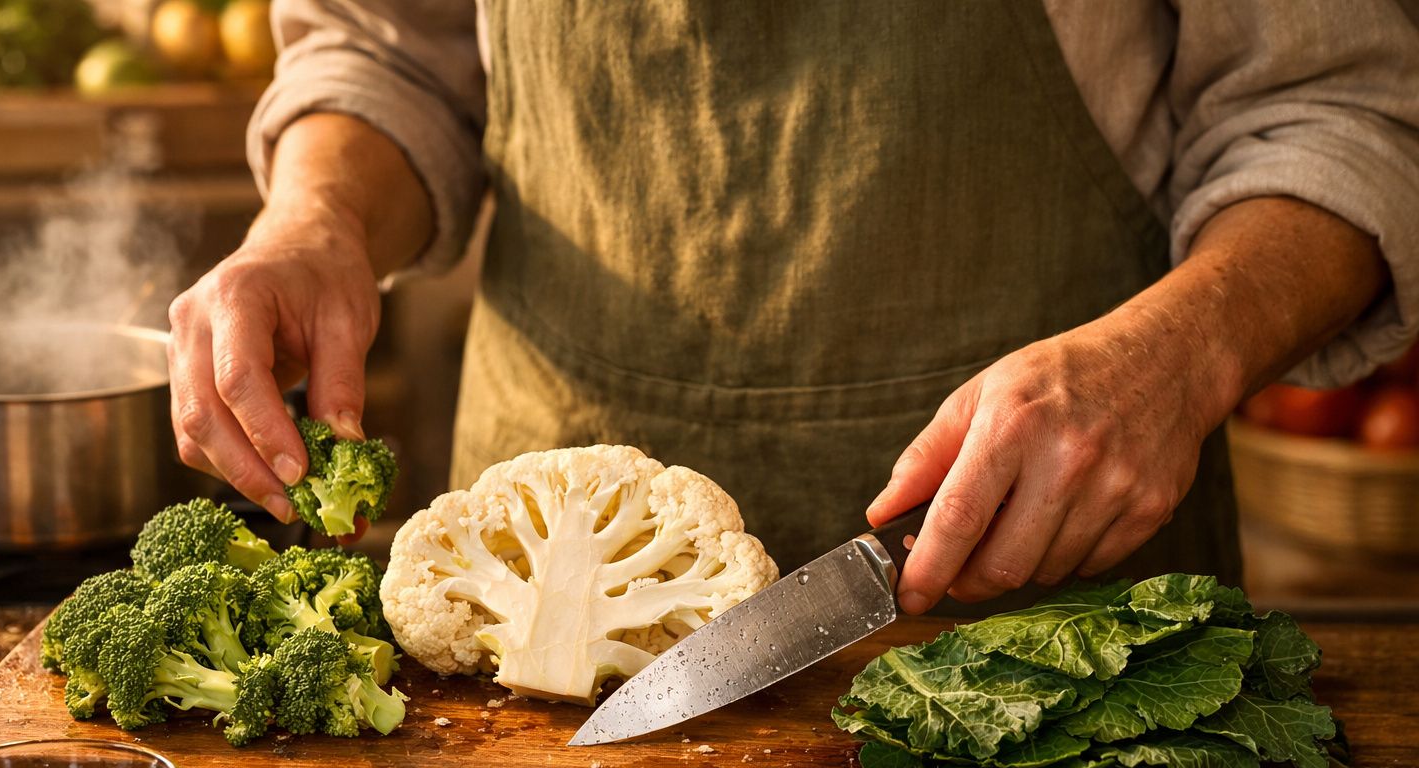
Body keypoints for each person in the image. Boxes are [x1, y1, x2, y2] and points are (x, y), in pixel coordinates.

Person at [167, 1, 1419, 612]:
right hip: (531, 618)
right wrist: (316, 218)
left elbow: (1347, 106)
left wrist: (1177, 353)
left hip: (1055, 612)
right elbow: (386, 45)